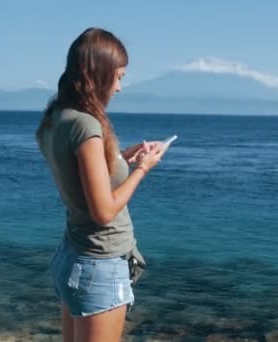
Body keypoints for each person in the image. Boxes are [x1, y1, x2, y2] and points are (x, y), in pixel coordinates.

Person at [35, 27, 167, 342]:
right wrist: (142, 170)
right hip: (99, 263)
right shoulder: (86, 124)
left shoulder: (58, 116)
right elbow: (103, 212)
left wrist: (120, 159)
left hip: (74, 255)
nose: (120, 87)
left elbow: (76, 171)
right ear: (96, 74)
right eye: (118, 77)